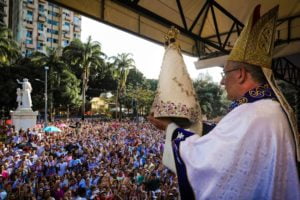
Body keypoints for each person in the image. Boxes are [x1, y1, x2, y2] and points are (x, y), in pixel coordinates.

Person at [148, 5, 300, 200]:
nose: (221, 81)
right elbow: (229, 139)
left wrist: (172, 129)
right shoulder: (269, 109)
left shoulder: (253, 114)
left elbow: (203, 161)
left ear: (241, 75)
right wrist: (197, 127)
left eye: (224, 74)